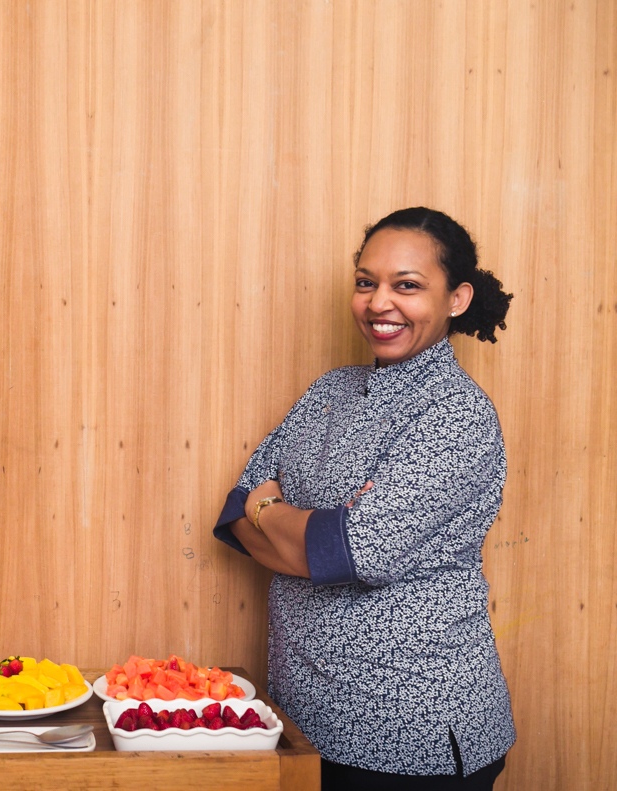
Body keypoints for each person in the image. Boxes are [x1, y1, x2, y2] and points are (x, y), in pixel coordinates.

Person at [213, 207, 515, 790]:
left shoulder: (456, 415)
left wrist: (273, 510)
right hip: (306, 717)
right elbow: (234, 518)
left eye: (407, 286)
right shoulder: (330, 391)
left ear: (456, 298)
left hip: (412, 731)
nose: (380, 303)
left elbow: (351, 554)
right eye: (365, 282)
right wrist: (303, 529)